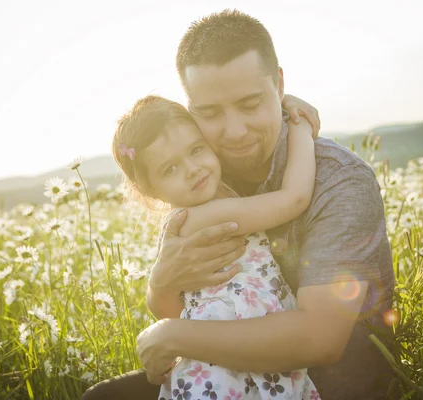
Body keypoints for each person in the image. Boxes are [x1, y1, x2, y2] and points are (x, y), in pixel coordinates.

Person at [83, 9, 396, 400]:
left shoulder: (341, 181)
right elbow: (178, 306)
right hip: (235, 372)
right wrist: (161, 283)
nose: (233, 131)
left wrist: (173, 335)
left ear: (279, 85)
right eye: (210, 112)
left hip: (328, 381)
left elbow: (322, 341)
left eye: (250, 103)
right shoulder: (204, 174)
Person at [112, 94, 321, 399]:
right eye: (170, 169)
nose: (193, 168)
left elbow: (170, 310)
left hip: (224, 360)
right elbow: (295, 199)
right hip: (224, 373)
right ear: (147, 188)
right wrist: (301, 127)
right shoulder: (202, 217)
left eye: (196, 149)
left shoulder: (198, 212)